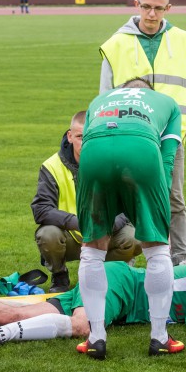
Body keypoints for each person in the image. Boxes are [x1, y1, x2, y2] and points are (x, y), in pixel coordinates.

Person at [77, 78, 182, 359]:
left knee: (92, 249)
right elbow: (168, 157)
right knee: (157, 249)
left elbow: (86, 144)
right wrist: (157, 200)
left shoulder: (98, 102)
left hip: (94, 154)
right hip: (141, 149)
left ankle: (96, 336)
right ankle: (159, 337)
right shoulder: (168, 103)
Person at [99, 0, 186, 266]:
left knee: (174, 199)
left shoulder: (181, 40)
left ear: (168, 8)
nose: (152, 14)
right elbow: (105, 94)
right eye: (146, 7)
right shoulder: (116, 43)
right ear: (137, 5)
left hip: (170, 136)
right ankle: (127, 261)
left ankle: (180, 260)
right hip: (130, 137)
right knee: (129, 197)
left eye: (158, 8)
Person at [0, 262, 186, 351]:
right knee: (85, 327)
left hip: (120, 292)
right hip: (122, 284)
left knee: (17, 313)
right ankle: (0, 335)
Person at [31, 111, 139, 292]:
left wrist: (112, 223)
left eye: (90, 137)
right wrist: (78, 222)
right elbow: (41, 209)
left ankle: (107, 274)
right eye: (80, 136)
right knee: (47, 234)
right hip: (70, 235)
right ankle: (59, 275)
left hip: (106, 232)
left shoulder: (113, 163)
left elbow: (130, 203)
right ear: (70, 136)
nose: (85, 142)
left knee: (134, 238)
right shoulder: (51, 166)